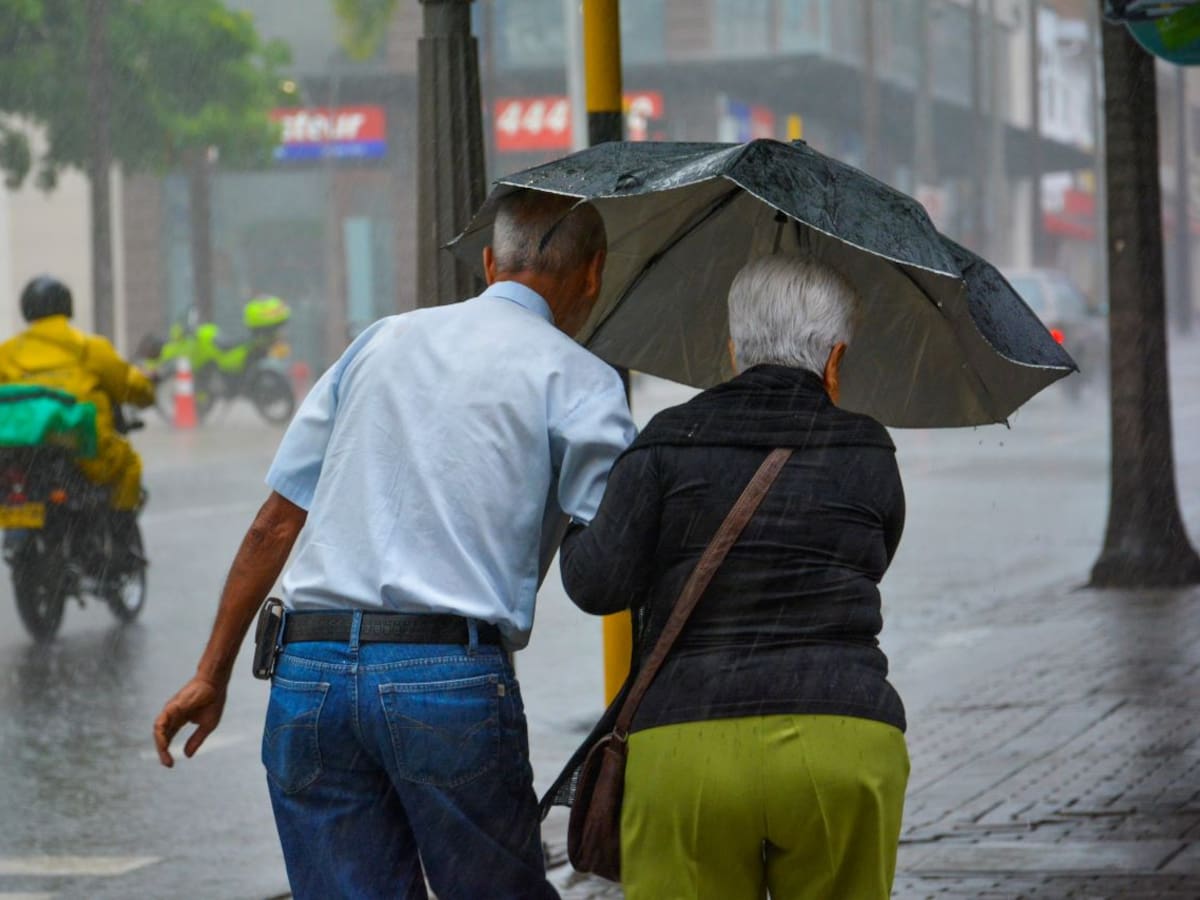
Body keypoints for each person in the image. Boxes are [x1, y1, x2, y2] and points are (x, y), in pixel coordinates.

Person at [152, 189, 637, 900]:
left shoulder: (379, 340)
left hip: (307, 674)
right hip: (443, 676)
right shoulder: (581, 381)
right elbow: (615, 553)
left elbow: (274, 524)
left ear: (486, 262)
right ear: (592, 273)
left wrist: (210, 673)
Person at [554, 255, 909, 899]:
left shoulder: (668, 440)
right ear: (834, 359)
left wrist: (581, 514)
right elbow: (876, 556)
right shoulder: (868, 448)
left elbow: (596, 583)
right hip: (843, 740)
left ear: (732, 349)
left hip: (689, 748)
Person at [0, 276, 156, 545]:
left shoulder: (7, 352)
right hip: (83, 450)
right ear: (66, 306)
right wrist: (146, 388)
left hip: (23, 454)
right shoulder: (89, 347)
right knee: (129, 464)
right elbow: (129, 385)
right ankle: (119, 538)